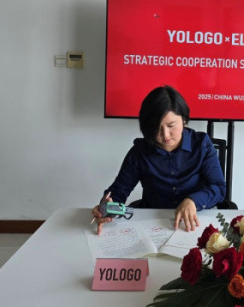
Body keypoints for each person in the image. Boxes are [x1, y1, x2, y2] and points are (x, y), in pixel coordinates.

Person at [92, 86, 226, 234]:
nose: (165, 135)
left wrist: (194, 200)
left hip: (195, 222)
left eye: (171, 126)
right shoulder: (140, 152)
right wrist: (107, 206)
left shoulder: (202, 144)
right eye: (157, 128)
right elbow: (119, 191)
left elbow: (218, 188)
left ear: (184, 120)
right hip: (153, 225)